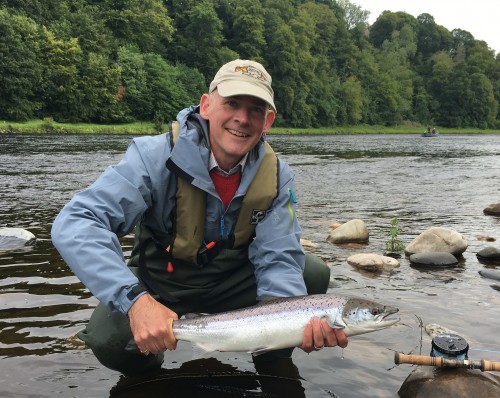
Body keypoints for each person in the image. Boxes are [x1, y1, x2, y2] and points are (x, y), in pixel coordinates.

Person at [52, 59, 347, 376]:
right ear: (206, 106)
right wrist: (136, 302)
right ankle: (149, 374)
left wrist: (292, 325)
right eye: (232, 103)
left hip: (231, 286)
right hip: (159, 286)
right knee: (109, 340)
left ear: (268, 121)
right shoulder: (153, 157)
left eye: (256, 109)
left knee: (310, 274)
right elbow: (77, 222)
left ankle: (272, 364)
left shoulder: (276, 178)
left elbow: (279, 257)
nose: (242, 118)